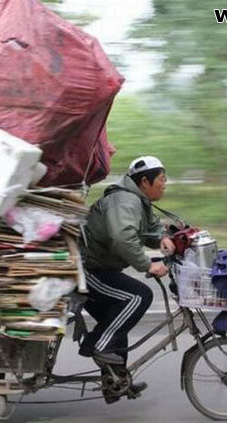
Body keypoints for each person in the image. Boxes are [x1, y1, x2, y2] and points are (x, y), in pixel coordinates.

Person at [79, 156, 175, 369]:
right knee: (139, 296)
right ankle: (98, 347)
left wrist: (162, 238)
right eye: (161, 179)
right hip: (88, 270)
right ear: (145, 182)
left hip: (102, 268)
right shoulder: (125, 201)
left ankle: (118, 381)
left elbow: (149, 228)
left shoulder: (139, 201)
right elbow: (122, 238)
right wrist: (147, 265)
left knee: (119, 322)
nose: (164, 184)